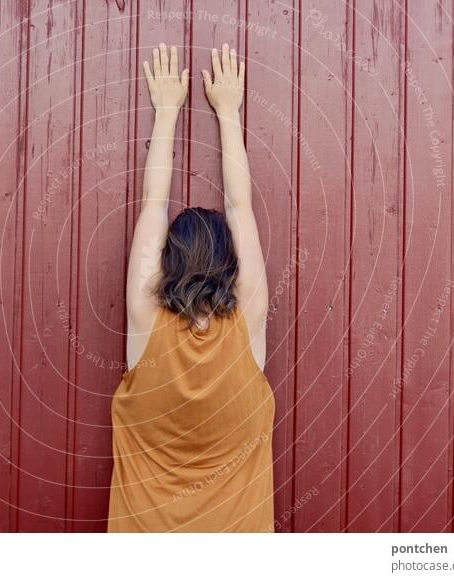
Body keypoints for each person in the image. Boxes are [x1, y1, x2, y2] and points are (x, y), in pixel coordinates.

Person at [107, 43, 275, 532]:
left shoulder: (144, 321)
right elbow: (240, 208)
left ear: (167, 258)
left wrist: (166, 113)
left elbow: (153, 204)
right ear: (231, 263)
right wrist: (228, 113)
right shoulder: (248, 321)